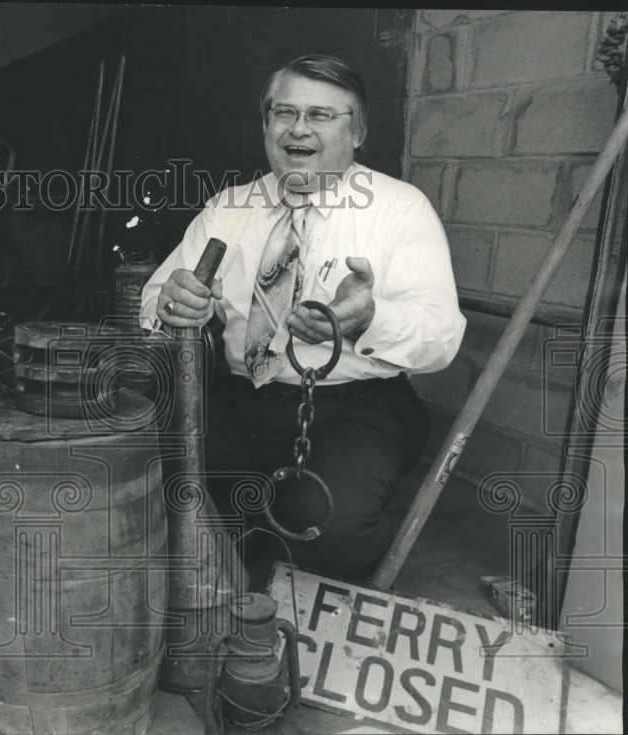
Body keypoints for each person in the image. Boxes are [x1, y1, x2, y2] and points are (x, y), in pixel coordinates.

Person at [140, 54, 466, 584]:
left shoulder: (399, 208)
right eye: (283, 113)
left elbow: (442, 338)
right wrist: (175, 305)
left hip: (355, 407)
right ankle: (248, 558)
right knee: (154, 476)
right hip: (243, 399)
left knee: (328, 524)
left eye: (321, 115)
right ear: (266, 125)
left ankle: (313, 557)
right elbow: (156, 299)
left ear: (357, 130)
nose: (298, 129)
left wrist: (366, 319)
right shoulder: (229, 207)